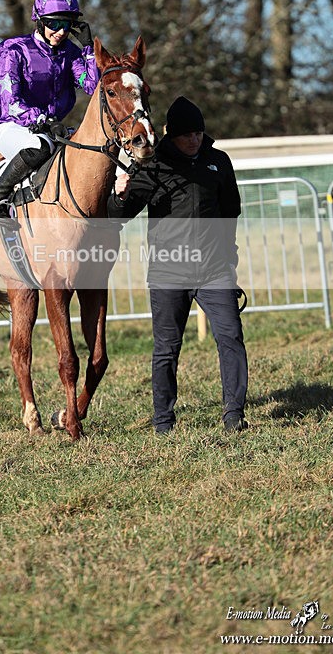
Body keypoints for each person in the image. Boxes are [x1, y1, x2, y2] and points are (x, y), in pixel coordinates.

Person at [107, 95, 248, 434]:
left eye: (198, 133)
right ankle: (163, 422)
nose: (194, 140)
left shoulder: (218, 161)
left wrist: (229, 257)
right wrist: (119, 192)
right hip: (169, 271)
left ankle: (234, 415)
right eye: (187, 135)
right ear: (171, 134)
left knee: (231, 338)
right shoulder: (153, 166)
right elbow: (119, 216)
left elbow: (230, 211)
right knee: (167, 349)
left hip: (215, 270)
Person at [0, 0, 99, 222]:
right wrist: (42, 120)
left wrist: (89, 49)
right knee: (40, 146)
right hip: (16, 128)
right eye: (54, 24)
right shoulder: (13, 50)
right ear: (39, 22)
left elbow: (93, 88)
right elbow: (10, 101)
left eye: (66, 25)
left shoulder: (71, 53)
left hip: (52, 129)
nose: (60, 32)